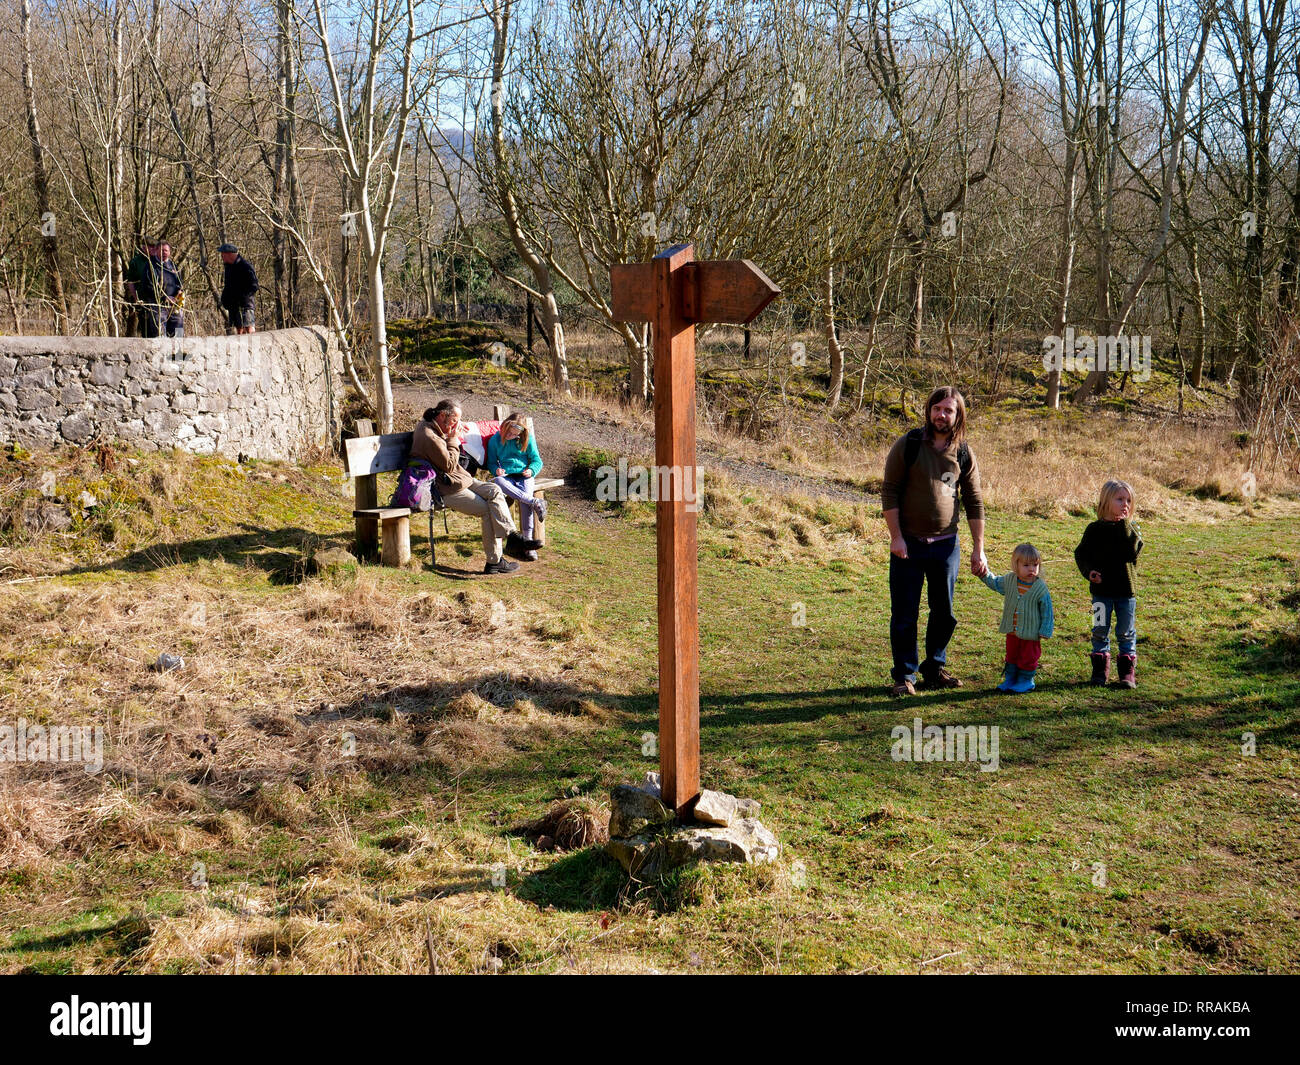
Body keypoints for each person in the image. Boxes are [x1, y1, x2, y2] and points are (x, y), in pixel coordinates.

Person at [882, 385, 988, 696]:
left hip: (946, 546)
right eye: (937, 409)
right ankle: (904, 676)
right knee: (905, 613)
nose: (942, 415)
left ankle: (934, 668)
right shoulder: (909, 444)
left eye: (949, 410)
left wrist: (978, 549)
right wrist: (896, 537)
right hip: (908, 545)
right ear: (929, 410)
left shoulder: (964, 453)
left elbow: (974, 500)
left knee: (944, 612)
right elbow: (889, 490)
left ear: (958, 415)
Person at [412, 401, 543, 574]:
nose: (456, 425)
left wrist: (458, 430)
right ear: (442, 416)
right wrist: (452, 439)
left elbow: (455, 445)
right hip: (445, 487)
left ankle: (512, 538)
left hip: (460, 479)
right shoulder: (429, 435)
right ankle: (495, 561)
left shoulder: (439, 426)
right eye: (454, 420)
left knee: (494, 491)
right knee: (488, 509)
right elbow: (449, 465)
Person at [1074, 479, 1143, 688]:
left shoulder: (1131, 530)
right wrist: (1089, 572)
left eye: (1129, 500)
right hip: (1101, 593)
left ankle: (1126, 674)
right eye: (1120, 499)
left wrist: (1124, 524)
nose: (1125, 504)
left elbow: (1132, 552)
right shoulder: (1094, 529)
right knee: (1099, 630)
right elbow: (1081, 554)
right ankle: (1099, 672)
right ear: (1105, 501)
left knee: (1126, 632)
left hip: (1125, 594)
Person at [980, 543, 1054, 693]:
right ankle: (1010, 679)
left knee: (1028, 657)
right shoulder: (1009, 581)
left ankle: (1025, 681)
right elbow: (994, 583)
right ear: (1016, 565)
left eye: (1035, 565)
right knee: (1012, 656)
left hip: (1031, 634)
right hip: (1012, 631)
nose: (1031, 569)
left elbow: (1047, 611)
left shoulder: (1040, 588)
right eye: (1026, 565)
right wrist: (983, 574)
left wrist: (1045, 629)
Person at [486, 413, 548, 561]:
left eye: (514, 434)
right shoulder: (495, 440)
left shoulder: (527, 439)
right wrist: (496, 470)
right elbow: (491, 462)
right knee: (498, 482)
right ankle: (535, 502)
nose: (510, 436)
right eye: (508, 432)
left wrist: (532, 470)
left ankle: (527, 543)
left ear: (521, 433)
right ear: (503, 427)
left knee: (524, 499)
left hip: (524, 475)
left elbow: (537, 460)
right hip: (506, 476)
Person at [137, 240, 184, 339]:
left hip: (175, 305)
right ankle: (163, 353)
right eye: (162, 250)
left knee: (178, 330)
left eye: (166, 251)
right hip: (158, 305)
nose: (164, 253)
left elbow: (179, 283)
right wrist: (165, 298)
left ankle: (178, 354)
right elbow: (147, 287)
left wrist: (178, 294)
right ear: (156, 251)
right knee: (160, 333)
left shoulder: (173, 265)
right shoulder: (150, 266)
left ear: (170, 252)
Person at [218, 243, 258, 334]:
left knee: (249, 329)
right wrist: (224, 299)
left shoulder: (245, 266)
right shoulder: (228, 268)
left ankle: (254, 347)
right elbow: (228, 286)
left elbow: (254, 286)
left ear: (229, 254)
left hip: (246, 305)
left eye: (223, 254)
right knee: (239, 330)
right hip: (234, 306)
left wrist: (244, 297)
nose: (222, 257)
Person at [123, 238, 156, 337]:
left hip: (158, 301)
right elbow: (131, 281)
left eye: (154, 247)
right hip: (143, 300)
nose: (152, 249)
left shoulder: (158, 260)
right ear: (143, 247)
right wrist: (136, 297)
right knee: (146, 328)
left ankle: (175, 351)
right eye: (150, 247)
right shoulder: (136, 262)